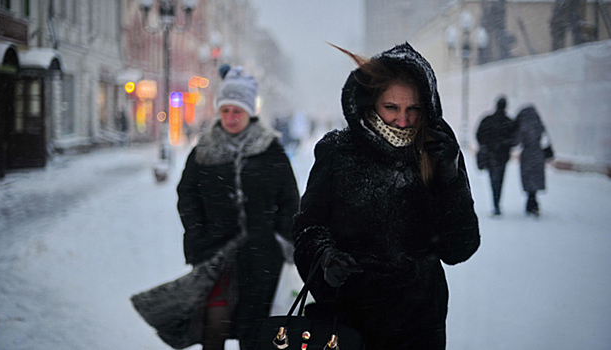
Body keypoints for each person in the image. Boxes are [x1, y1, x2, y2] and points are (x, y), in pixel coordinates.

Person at [292, 43, 480, 350]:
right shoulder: (339, 152)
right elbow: (308, 229)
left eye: (413, 109)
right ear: (371, 102)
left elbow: (459, 247)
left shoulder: (437, 153)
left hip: (419, 328)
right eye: (391, 107)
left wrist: (450, 181)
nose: (402, 121)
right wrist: (325, 256)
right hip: (348, 326)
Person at [177, 65, 299, 350]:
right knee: (213, 325)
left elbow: (290, 199)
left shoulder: (271, 150)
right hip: (215, 254)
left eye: (237, 111)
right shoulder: (204, 150)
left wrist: (282, 239)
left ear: (249, 112)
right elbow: (187, 195)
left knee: (255, 332)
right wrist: (197, 234)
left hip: (261, 259)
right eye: (225, 110)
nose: (230, 117)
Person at [475, 96, 518, 215]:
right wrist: (503, 144)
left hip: (491, 155)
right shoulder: (509, 122)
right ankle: (497, 203)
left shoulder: (488, 120)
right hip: (502, 156)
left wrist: (487, 145)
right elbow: (515, 140)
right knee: (499, 180)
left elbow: (479, 135)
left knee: (494, 180)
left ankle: (496, 203)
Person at [515, 105, 550, 217]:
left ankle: (531, 202)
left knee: (528, 178)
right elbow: (544, 138)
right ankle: (533, 202)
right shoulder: (538, 124)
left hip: (527, 155)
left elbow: (517, 140)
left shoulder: (523, 126)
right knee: (535, 178)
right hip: (538, 154)